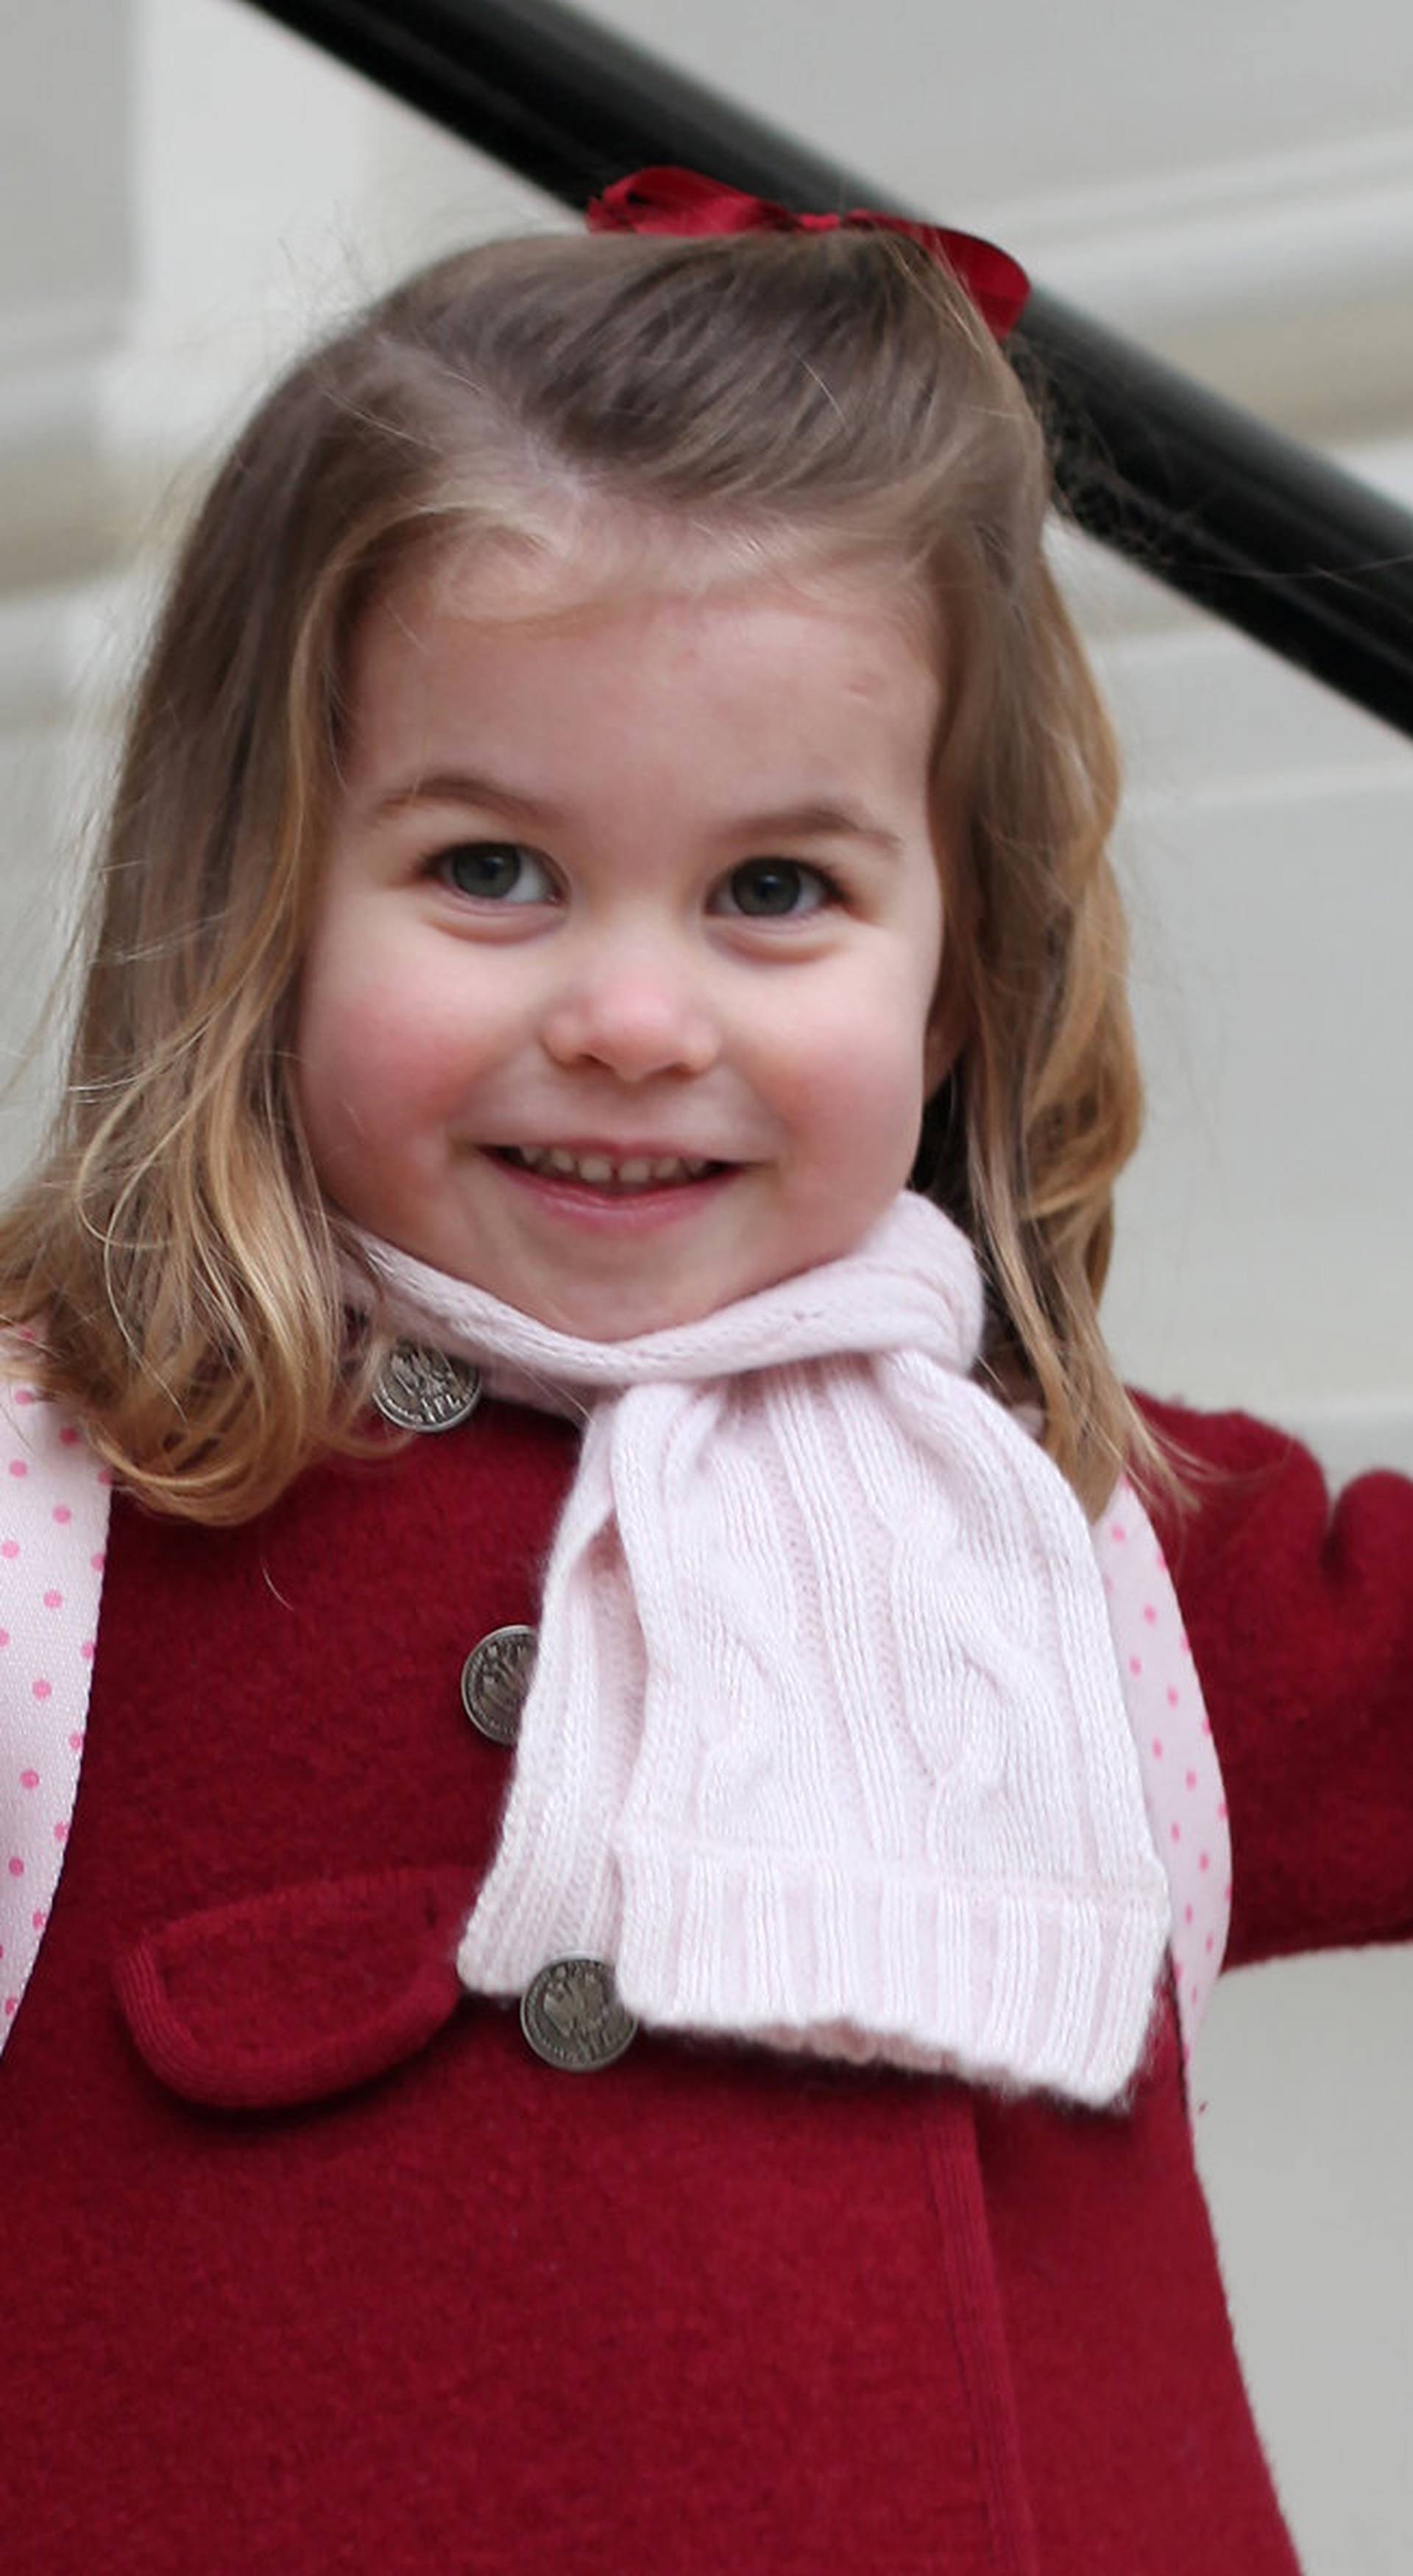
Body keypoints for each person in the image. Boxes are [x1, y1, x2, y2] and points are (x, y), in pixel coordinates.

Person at [0, 168, 1407, 2576]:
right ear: (255, 897)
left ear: (955, 972)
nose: (634, 1019)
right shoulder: (69, 1513)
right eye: (490, 869)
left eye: (777, 892)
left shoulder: (1086, 1543)